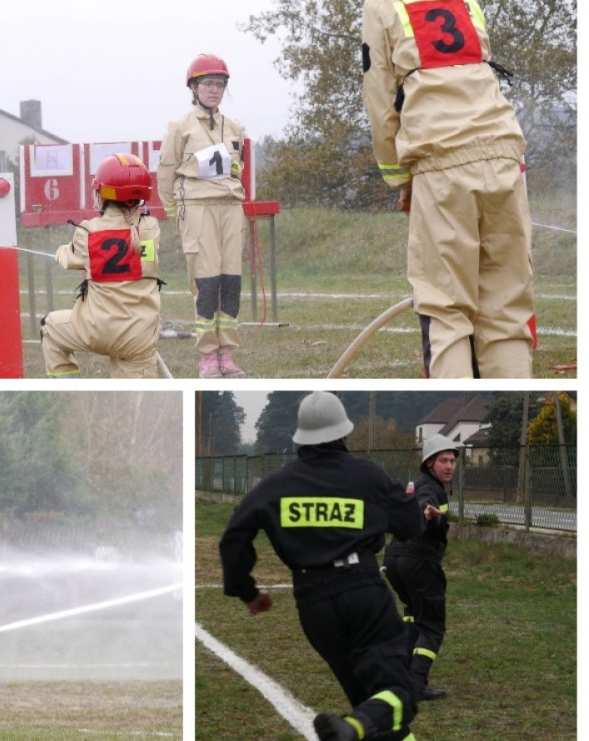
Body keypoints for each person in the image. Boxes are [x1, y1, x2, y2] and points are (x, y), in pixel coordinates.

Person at [219, 391, 438, 741]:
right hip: (364, 592)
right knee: (401, 693)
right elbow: (409, 525)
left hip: (314, 605)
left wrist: (247, 591)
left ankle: (353, 728)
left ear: (300, 437)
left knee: (373, 705)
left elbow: (234, 537)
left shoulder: (276, 485)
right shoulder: (366, 475)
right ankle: (350, 728)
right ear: (342, 433)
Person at [362, 0, 534, 378]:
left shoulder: (381, 6)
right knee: (507, 312)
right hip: (503, 153)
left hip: (440, 162)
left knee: (446, 310)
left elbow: (379, 95)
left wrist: (399, 177)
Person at [158, 54, 247, 379]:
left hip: (230, 207)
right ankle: (208, 356)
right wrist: (174, 211)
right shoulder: (179, 127)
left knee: (230, 283)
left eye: (220, 84)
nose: (215, 90)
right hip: (196, 207)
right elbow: (166, 171)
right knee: (206, 282)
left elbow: (238, 167)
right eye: (208, 84)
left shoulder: (234, 126)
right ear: (194, 87)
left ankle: (228, 354)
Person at [40, 153, 163, 378]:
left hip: (96, 330)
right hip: (139, 336)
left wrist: (59, 254)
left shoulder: (88, 231)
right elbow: (141, 257)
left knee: (49, 328)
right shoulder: (150, 229)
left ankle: (70, 389)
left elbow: (71, 259)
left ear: (104, 193)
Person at [383, 434, 459, 703]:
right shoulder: (430, 489)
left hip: (394, 558)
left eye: (452, 460)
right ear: (429, 463)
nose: (449, 466)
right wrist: (426, 513)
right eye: (443, 461)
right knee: (433, 625)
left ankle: (398, 675)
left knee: (413, 615)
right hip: (418, 561)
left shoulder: (420, 483)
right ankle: (415, 684)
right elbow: (423, 503)